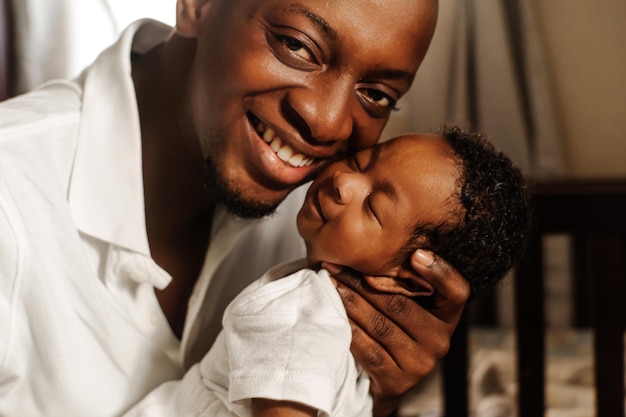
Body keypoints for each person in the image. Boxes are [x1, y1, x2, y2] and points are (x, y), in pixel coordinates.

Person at [0, 1, 471, 416]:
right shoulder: (13, 197)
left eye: (376, 94)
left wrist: (372, 392)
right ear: (198, 5)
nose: (327, 124)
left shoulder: (328, 225)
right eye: (297, 46)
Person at [197, 126, 531, 417]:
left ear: (413, 280)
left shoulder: (334, 327)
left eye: (373, 207)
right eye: (361, 162)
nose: (343, 181)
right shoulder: (299, 312)